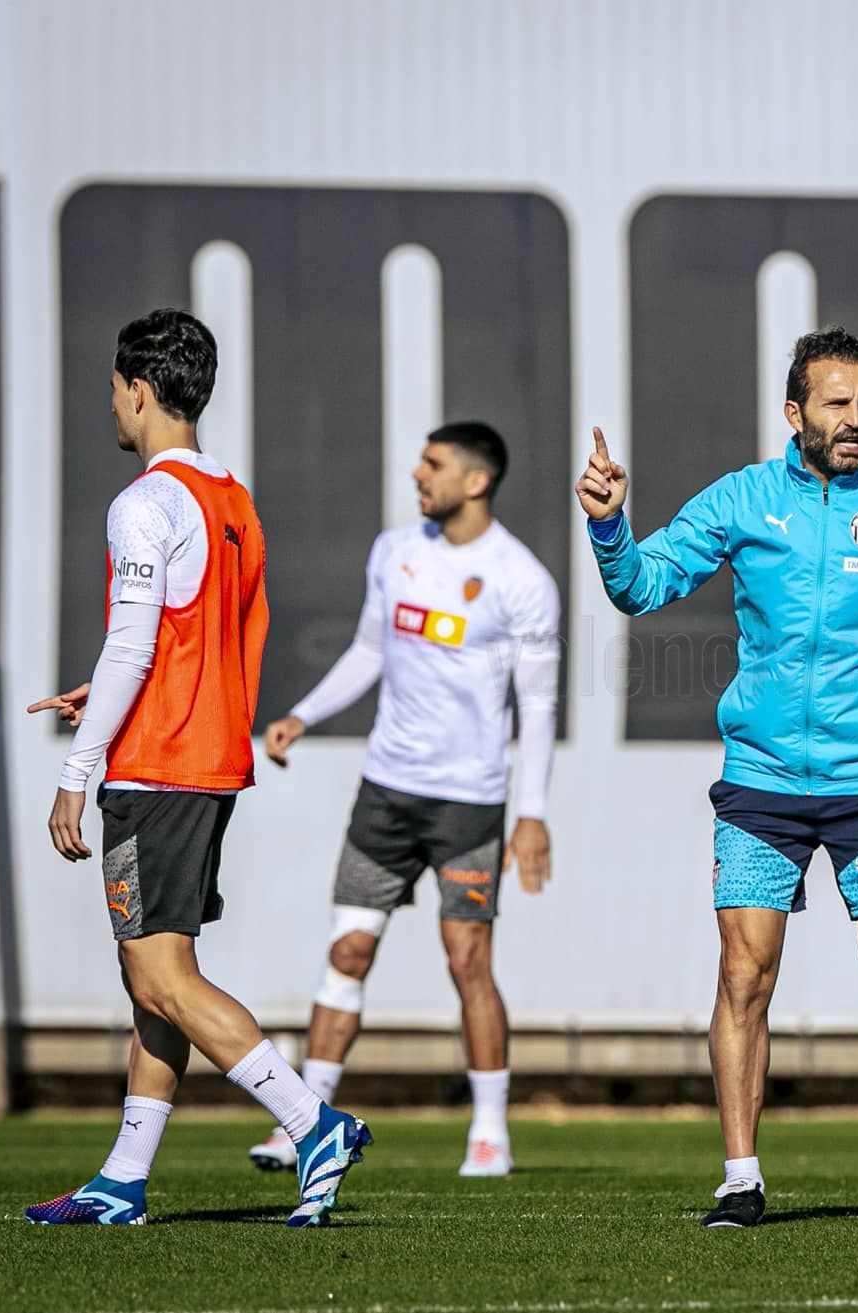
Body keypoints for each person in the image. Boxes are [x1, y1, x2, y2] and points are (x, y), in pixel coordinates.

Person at [575, 327, 858, 1228]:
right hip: (761, 780)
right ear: (795, 413)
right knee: (743, 975)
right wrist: (610, 525)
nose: (856, 419)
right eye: (838, 403)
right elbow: (642, 586)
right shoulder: (746, 499)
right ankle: (740, 1177)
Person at [24, 308, 370, 1227]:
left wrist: (75, 768)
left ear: (139, 389)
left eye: (112, 389)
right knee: (159, 976)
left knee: (162, 977)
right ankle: (123, 1180)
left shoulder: (143, 501)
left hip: (157, 766)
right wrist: (96, 694)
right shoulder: (234, 501)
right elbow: (184, 641)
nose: (112, 405)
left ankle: (312, 1122)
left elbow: (137, 647)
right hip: (209, 759)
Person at [248, 422, 560, 1179]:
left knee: (467, 960)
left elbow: (540, 706)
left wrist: (532, 812)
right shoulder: (395, 551)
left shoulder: (522, 579)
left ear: (477, 481)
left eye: (434, 463)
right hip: (384, 796)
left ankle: (490, 1132)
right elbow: (369, 649)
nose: (417, 474)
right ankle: (304, 1122)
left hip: (468, 807)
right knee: (347, 951)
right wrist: (303, 714)